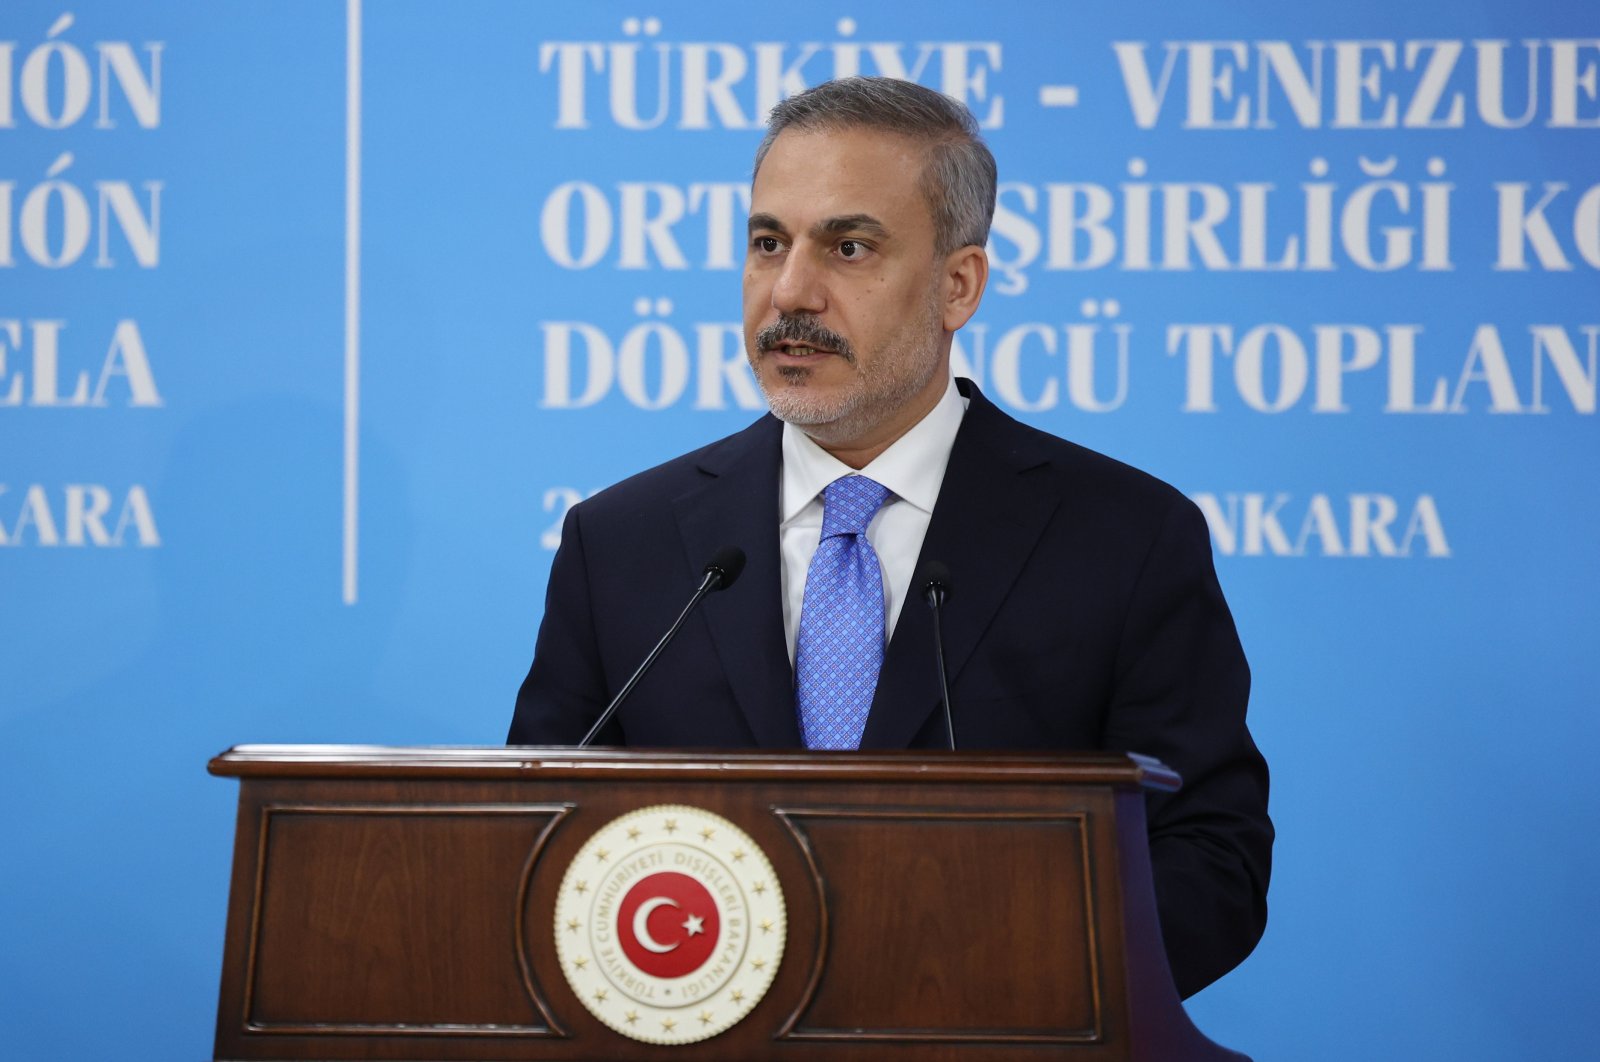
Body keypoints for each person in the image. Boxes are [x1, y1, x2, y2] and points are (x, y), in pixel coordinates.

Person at [509, 76, 1271, 998]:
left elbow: (1208, 861)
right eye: (767, 243)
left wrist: (995, 980)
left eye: (850, 246)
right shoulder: (622, 542)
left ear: (958, 284)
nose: (791, 291)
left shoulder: (1125, 537)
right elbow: (536, 841)